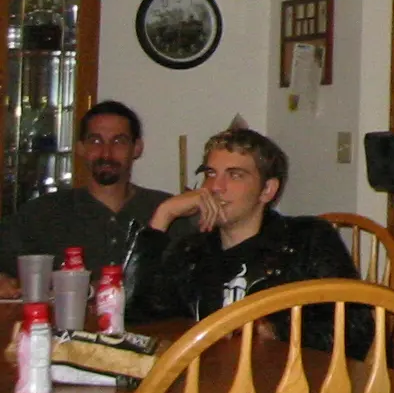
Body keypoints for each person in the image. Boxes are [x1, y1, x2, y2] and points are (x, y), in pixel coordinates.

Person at [126, 128, 371, 359]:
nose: (216, 188)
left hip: (289, 386)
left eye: (235, 175)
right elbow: (134, 318)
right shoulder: (193, 251)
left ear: (267, 190)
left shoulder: (307, 239)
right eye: (210, 174)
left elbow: (356, 330)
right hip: (210, 381)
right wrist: (164, 215)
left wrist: (273, 331)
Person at [0, 101, 191, 295]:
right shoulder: (42, 214)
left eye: (118, 142)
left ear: (137, 149)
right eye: (96, 141)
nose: (106, 153)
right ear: (81, 148)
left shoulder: (166, 211)